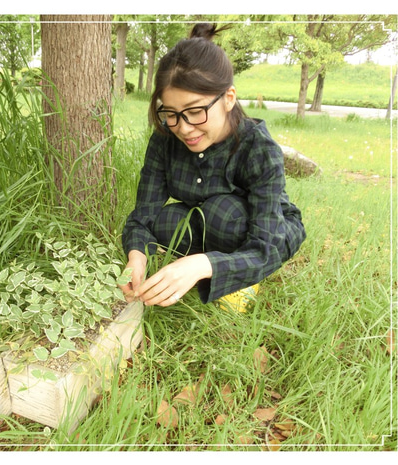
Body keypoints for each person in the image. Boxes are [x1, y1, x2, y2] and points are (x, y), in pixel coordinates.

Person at [119, 23, 306, 309]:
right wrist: (136, 256)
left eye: (195, 112)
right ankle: (209, 266)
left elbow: (266, 245)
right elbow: (143, 216)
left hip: (265, 229)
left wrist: (200, 265)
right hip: (203, 218)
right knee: (165, 221)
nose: (183, 128)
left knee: (225, 215)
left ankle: (238, 276)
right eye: (171, 114)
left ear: (228, 98)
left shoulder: (259, 148)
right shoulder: (165, 139)